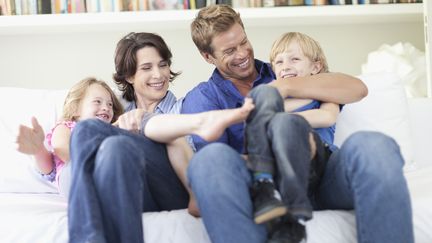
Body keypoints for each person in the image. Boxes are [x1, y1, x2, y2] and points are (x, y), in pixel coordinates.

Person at [182, 4, 413, 243]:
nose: (242, 54)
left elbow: (357, 89)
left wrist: (286, 86)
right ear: (208, 56)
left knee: (374, 146)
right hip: (265, 187)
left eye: (244, 42)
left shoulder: (284, 70)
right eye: (230, 50)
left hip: (324, 177)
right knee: (208, 160)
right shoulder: (202, 98)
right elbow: (219, 167)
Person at [67, 31, 255, 243]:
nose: (159, 75)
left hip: (175, 188)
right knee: (115, 147)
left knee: (87, 129)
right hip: (136, 190)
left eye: (163, 65)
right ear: (129, 76)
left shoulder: (187, 105)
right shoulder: (118, 113)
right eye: (147, 68)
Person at [246, 32, 340, 226]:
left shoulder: (323, 94)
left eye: (295, 59)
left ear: (316, 67)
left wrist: (281, 121)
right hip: (281, 165)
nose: (286, 66)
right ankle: (267, 187)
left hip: (319, 160)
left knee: (284, 126)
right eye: (278, 62)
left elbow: (327, 116)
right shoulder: (273, 100)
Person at [15, 77, 124, 197]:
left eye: (110, 104)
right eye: (97, 101)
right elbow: (63, 151)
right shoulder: (67, 127)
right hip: (74, 173)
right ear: (75, 109)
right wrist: (38, 149)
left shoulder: (112, 131)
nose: (106, 108)